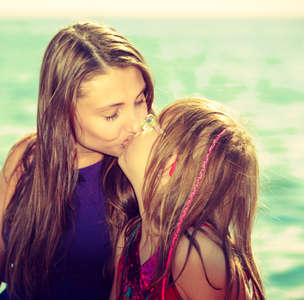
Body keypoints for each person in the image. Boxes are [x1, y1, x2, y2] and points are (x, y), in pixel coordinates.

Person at [0, 21, 154, 300]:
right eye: (112, 114)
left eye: (140, 100)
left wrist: (146, 180)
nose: (135, 124)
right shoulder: (26, 159)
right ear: (63, 111)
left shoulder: (146, 169)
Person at [111, 98, 266, 300]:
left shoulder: (194, 254)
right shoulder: (130, 236)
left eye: (153, 125)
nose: (142, 124)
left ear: (171, 165)